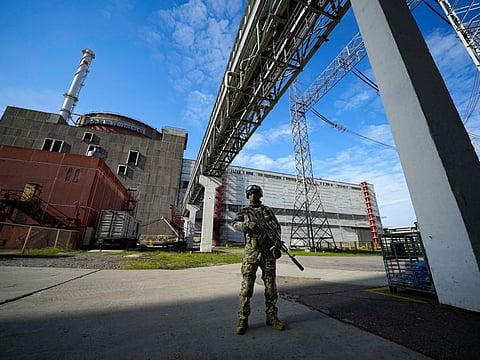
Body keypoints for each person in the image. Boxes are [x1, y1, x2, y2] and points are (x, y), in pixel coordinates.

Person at [232, 184, 285, 335]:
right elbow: (234, 224)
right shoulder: (244, 211)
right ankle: (243, 319)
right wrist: (246, 225)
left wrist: (277, 246)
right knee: (247, 286)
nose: (253, 196)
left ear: (260, 195)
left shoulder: (267, 211)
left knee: (271, 287)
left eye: (255, 193)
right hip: (252, 252)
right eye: (250, 193)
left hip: (268, 252)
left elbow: (277, 229)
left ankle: (272, 316)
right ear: (247, 196)